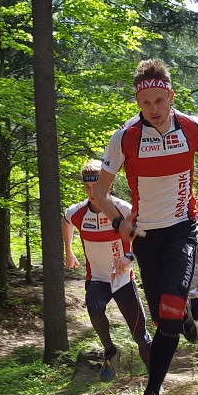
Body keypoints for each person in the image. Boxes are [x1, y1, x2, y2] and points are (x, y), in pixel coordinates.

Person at [92, 58, 198, 395]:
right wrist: (118, 221)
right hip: (145, 235)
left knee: (167, 313)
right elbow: (100, 193)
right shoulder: (125, 137)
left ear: (171, 97)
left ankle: (150, 394)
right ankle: (184, 316)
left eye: (159, 101)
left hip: (183, 228)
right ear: (138, 102)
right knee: (162, 314)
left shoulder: (191, 128)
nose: (153, 109)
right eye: (145, 102)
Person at [63, 160, 153, 381]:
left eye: (96, 187)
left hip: (123, 280)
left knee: (140, 336)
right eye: (87, 187)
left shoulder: (123, 209)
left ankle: (155, 381)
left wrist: (129, 257)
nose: (92, 192)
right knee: (94, 309)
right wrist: (69, 251)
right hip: (97, 278)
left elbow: (146, 238)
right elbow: (66, 221)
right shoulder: (77, 212)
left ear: (107, 185)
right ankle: (110, 351)